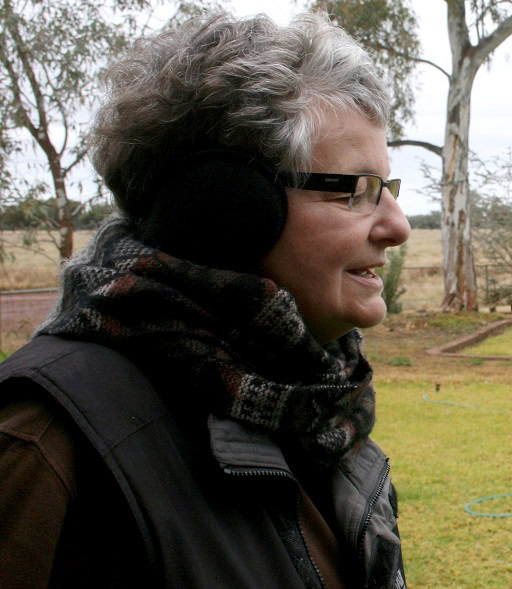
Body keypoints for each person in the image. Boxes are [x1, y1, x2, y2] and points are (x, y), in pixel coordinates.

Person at [0, 12, 410, 588]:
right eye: (357, 191)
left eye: (389, 189)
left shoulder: (312, 406)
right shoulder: (46, 442)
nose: (398, 226)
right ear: (223, 207)